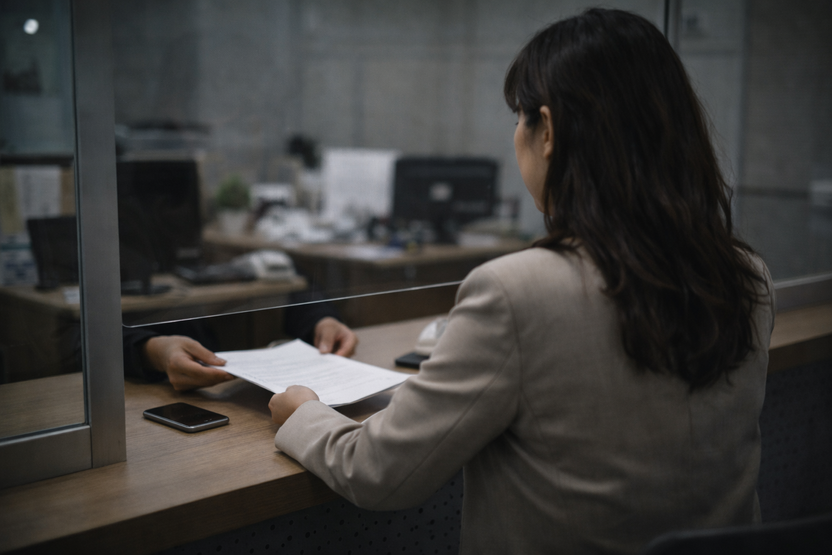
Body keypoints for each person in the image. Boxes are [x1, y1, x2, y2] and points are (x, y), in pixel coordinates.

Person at [267, 8, 775, 554]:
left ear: (548, 131)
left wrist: (302, 411)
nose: (516, 136)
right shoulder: (747, 278)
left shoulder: (517, 291)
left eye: (518, 117)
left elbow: (377, 471)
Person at [123, 296, 357, 390]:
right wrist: (148, 350)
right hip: (143, 381)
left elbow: (295, 284)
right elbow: (91, 336)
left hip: (220, 383)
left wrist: (322, 318)